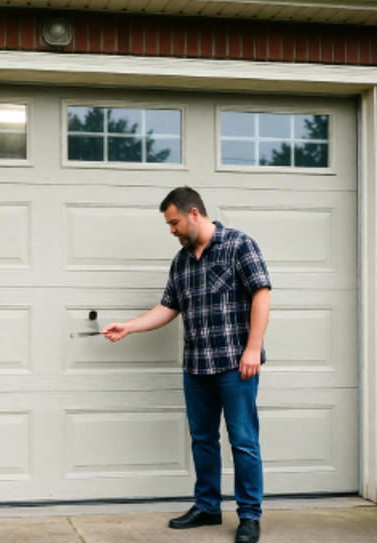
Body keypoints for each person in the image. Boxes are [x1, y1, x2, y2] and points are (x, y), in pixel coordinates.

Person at [102, 186, 271, 543]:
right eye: (168, 224)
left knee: (243, 441)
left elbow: (261, 293)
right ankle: (207, 506)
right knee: (202, 439)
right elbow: (168, 308)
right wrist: (128, 327)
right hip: (196, 366)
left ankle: (249, 516)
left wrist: (253, 348)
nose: (171, 230)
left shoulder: (239, 245)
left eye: (174, 222)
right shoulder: (180, 261)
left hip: (235, 365)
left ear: (194, 213)